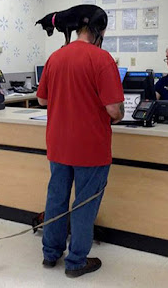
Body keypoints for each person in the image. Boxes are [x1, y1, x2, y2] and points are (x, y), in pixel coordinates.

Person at [36, 17, 124, 278]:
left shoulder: (56, 57)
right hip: (90, 147)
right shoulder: (101, 59)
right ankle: (75, 262)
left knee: (56, 198)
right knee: (85, 203)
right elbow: (114, 110)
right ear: (99, 31)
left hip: (59, 144)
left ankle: (50, 254)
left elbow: (42, 99)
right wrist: (116, 112)